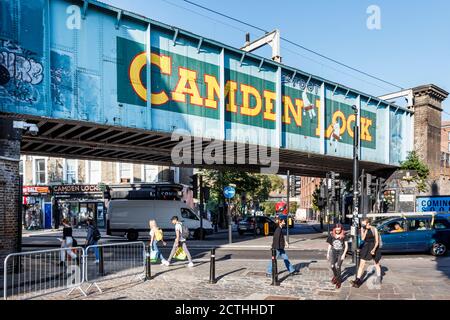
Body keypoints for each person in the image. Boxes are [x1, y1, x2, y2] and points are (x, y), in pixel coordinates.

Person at [351, 218, 382, 288]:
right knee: (361, 264)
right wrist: (365, 230)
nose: (362, 224)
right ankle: (358, 280)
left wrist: (374, 249)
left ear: (368, 223)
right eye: (362, 223)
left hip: (374, 246)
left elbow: (377, 241)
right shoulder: (363, 229)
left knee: (376, 263)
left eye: (364, 223)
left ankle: (379, 278)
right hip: (366, 247)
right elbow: (362, 239)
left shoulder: (374, 229)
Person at [326, 224, 348, 289]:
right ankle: (335, 276)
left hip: (341, 252)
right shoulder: (332, 235)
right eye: (337, 230)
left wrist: (344, 254)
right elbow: (330, 245)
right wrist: (327, 253)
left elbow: (346, 246)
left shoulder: (344, 235)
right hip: (333, 252)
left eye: (339, 230)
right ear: (334, 229)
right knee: (332, 266)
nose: (338, 231)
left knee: (338, 267)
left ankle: (339, 281)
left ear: (341, 229)